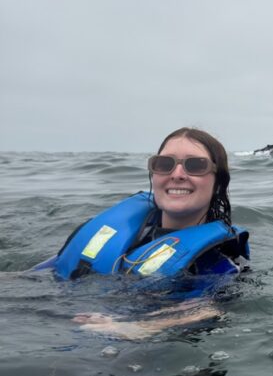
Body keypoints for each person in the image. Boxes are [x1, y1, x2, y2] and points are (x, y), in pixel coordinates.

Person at [38, 127, 249, 338]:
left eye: (195, 165)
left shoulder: (218, 263)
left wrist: (134, 328)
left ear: (218, 183)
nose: (177, 174)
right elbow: (54, 268)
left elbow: (211, 308)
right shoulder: (114, 232)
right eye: (164, 164)